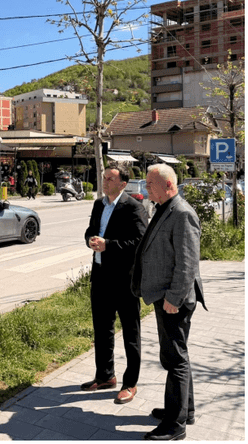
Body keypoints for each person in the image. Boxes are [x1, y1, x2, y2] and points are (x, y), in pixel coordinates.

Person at [132, 164, 207, 441]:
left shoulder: (183, 213)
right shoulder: (164, 207)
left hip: (174, 298)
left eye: (150, 183)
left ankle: (175, 426)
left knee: (174, 359)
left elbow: (188, 264)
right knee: (178, 356)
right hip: (166, 296)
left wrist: (174, 299)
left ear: (168, 185)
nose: (146, 188)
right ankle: (184, 410)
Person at [80, 166, 148, 405]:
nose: (105, 181)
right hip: (100, 277)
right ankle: (105, 376)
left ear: (122, 183)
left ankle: (130, 384)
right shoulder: (99, 204)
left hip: (125, 280)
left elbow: (139, 242)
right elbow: (90, 230)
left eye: (110, 178)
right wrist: (91, 240)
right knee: (102, 329)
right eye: (104, 177)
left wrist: (108, 244)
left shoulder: (133, 207)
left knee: (131, 332)